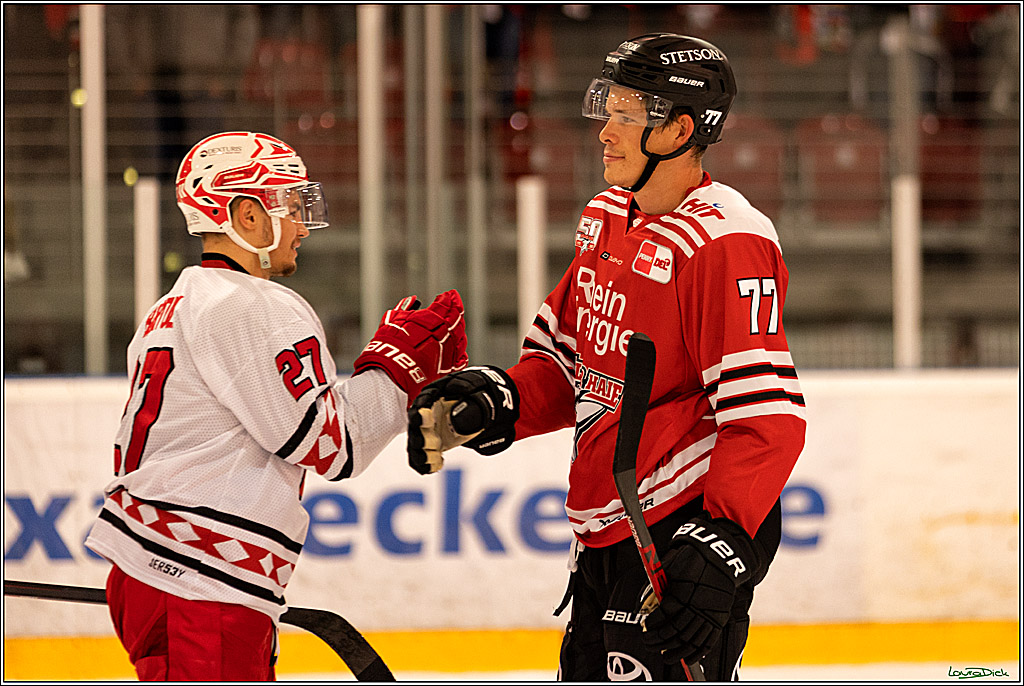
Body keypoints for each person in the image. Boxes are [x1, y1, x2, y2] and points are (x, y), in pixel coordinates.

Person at [407, 34, 806, 681]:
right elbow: (566, 364)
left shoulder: (727, 240)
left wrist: (722, 541)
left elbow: (766, 417)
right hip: (604, 534)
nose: (604, 132)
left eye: (626, 115)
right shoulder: (604, 219)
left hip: (674, 535)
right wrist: (497, 400)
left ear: (679, 129)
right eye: (608, 110)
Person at [85, 131, 468, 681]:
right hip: (199, 583)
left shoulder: (169, 307)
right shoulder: (254, 306)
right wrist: (396, 368)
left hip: (159, 572)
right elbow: (332, 447)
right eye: (289, 206)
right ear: (245, 216)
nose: (302, 226)